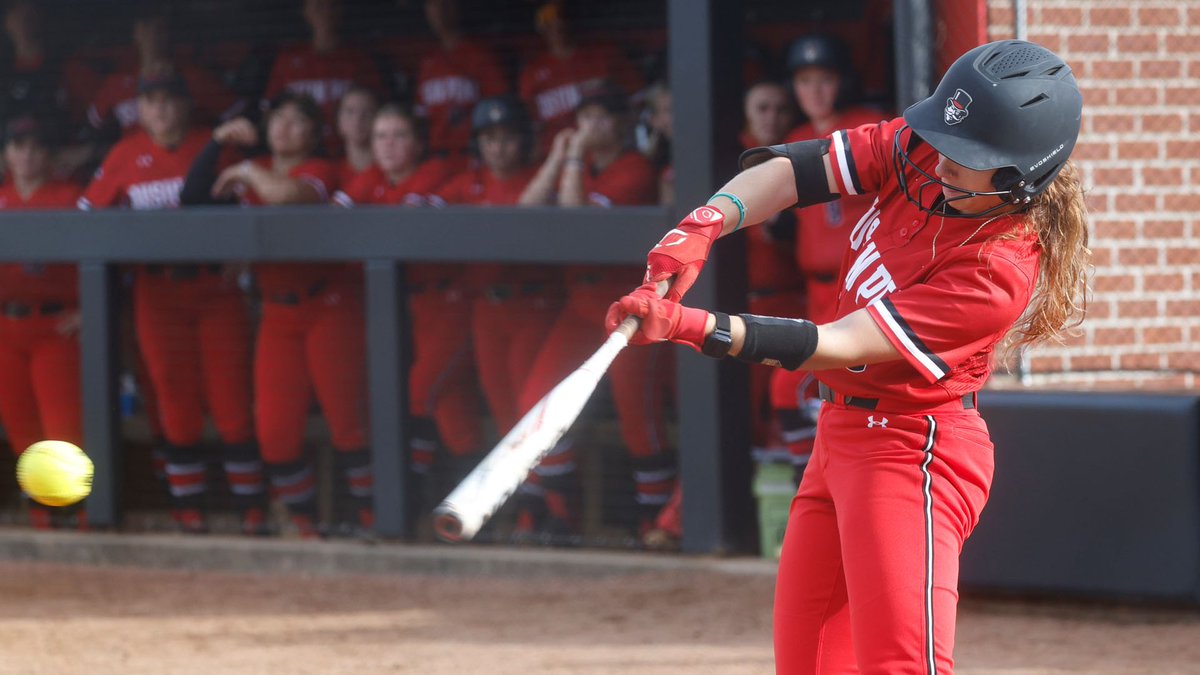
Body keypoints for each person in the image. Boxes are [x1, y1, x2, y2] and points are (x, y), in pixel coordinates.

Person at [607, 39, 1087, 671]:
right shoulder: (925, 149)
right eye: (944, 141)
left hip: (913, 450)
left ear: (1017, 179)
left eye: (966, 158)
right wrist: (701, 226)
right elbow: (796, 172)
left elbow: (835, 346)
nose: (940, 162)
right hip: (839, 435)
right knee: (806, 663)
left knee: (899, 665)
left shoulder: (995, 271)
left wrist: (691, 326)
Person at [80, 71, 266, 536]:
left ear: (187, 104)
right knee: (173, 401)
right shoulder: (124, 154)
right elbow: (86, 221)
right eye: (150, 101)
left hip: (215, 289)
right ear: (139, 109)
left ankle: (253, 512)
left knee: (231, 403)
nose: (160, 109)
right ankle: (191, 513)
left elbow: (257, 209)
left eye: (168, 100)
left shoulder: (216, 144)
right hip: (155, 291)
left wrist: (245, 258)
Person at [185, 91, 370, 538]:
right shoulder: (255, 171)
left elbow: (287, 196)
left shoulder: (321, 169)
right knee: (274, 433)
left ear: (313, 132)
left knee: (348, 424)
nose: (284, 127)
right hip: (276, 313)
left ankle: (373, 519)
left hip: (329, 305)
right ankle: (306, 524)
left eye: (296, 120)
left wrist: (247, 169)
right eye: (278, 119)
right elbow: (192, 196)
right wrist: (216, 143)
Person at [519, 82, 674, 544]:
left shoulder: (635, 168)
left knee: (638, 419)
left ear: (623, 125)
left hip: (627, 305)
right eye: (584, 117)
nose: (590, 127)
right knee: (537, 399)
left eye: (601, 117)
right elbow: (527, 210)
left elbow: (575, 219)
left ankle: (654, 525)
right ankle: (558, 514)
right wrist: (560, 157)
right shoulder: (579, 164)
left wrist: (571, 158)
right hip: (579, 304)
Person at [332, 103, 479, 529]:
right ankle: (476, 511)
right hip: (408, 305)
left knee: (419, 393)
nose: (389, 145)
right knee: (455, 418)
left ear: (417, 143)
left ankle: (408, 500)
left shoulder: (433, 172)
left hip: (450, 302)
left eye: (398, 135)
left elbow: (410, 223)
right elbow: (335, 218)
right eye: (380, 136)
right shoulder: (371, 178)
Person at [769, 34, 890, 485]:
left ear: (843, 81)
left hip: (860, 291)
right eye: (804, 80)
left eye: (824, 79)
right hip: (816, 292)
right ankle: (818, 484)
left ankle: (827, 484)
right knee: (794, 390)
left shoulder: (870, 128)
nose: (815, 91)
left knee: (800, 386)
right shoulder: (796, 138)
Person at [434, 96, 555, 510]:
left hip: (531, 307)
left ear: (522, 141)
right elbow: (422, 215)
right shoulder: (469, 183)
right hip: (486, 309)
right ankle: (521, 511)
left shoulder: (539, 177)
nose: (498, 147)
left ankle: (550, 511)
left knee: (529, 413)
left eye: (506, 138)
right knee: (504, 414)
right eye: (489, 138)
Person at [0, 115, 84, 530]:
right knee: (20, 425)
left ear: (48, 156)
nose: (26, 155)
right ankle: (42, 516)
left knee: (62, 427)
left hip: (55, 326)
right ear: (6, 155)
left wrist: (90, 309)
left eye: (34, 147)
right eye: (18, 146)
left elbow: (109, 254)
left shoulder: (70, 196)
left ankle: (76, 515)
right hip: (6, 328)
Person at [86, 8, 234, 139]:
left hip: (186, 160)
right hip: (134, 163)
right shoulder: (117, 83)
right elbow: (95, 127)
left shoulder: (194, 78)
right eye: (145, 27)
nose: (152, 35)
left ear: (168, 34)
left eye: (159, 29)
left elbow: (236, 116)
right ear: (136, 33)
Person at [518, 0, 643, 154]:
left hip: (605, 153)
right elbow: (530, 127)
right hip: (557, 155)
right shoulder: (532, 72)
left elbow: (638, 99)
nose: (558, 26)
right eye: (549, 21)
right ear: (541, 28)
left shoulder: (604, 55)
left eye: (561, 19)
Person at [263, 0, 383, 153]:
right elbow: (270, 110)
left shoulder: (359, 60)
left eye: (331, 5)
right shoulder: (287, 60)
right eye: (318, 6)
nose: (325, 12)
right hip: (301, 152)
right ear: (305, 12)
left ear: (340, 10)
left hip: (347, 152)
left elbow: (376, 110)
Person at [416, 0, 508, 162]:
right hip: (436, 156)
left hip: (472, 155)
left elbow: (498, 108)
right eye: (432, 5)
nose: (439, 11)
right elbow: (420, 117)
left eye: (445, 4)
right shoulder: (427, 61)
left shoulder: (480, 56)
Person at [334, 85, 379, 187]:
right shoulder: (331, 172)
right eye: (350, 112)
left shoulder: (392, 171)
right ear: (338, 121)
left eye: (367, 112)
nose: (358, 120)